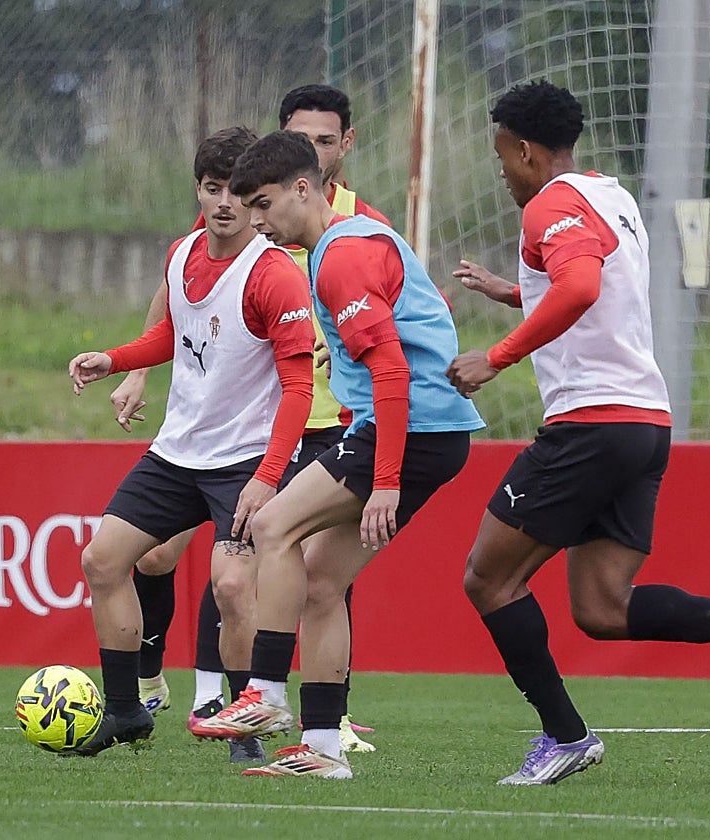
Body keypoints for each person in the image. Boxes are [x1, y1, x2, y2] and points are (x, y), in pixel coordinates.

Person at [445, 80, 710, 786]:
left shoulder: (550, 204)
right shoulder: (612, 197)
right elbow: (597, 286)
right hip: (643, 424)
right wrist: (513, 290)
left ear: (527, 150)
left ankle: (565, 737)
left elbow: (582, 289)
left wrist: (495, 358)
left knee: (487, 578)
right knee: (602, 608)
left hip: (591, 424)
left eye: (502, 154)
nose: (500, 168)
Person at [188, 130, 485, 779]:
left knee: (271, 523)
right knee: (322, 581)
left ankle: (264, 694)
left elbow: (394, 374)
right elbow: (387, 344)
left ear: (304, 187)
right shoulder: (341, 248)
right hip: (426, 433)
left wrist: (384, 481)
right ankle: (322, 749)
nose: (257, 222)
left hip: (411, 432)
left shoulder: (340, 255)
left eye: (263, 205)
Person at [117, 85, 388, 753]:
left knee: (291, 568)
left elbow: (388, 309)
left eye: (328, 141)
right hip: (236, 420)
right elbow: (176, 295)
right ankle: (193, 687)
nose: (317, 152)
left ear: (344, 146)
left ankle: (307, 712)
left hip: (326, 418)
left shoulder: (357, 225)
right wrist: (134, 367)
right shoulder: (253, 209)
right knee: (167, 554)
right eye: (305, 139)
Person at [67, 126, 316, 762]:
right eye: (212, 190)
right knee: (102, 560)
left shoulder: (273, 275)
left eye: (238, 192)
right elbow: (172, 338)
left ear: (256, 198)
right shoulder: (181, 255)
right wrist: (115, 360)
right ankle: (125, 710)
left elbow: (298, 388)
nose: (225, 203)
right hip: (178, 453)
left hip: (244, 462)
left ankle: (246, 728)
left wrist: (270, 473)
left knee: (233, 587)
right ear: (198, 191)